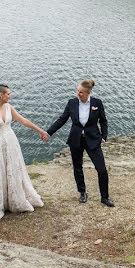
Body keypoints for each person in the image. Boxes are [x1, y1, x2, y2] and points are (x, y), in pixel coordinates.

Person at [0, 84, 48, 223]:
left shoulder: (9, 107)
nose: (10, 96)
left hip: (11, 143)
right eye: (8, 94)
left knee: (13, 170)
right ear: (1, 95)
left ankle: (15, 200)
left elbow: (23, 120)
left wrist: (40, 130)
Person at [46, 79, 114, 207]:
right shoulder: (71, 103)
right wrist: (48, 133)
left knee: (102, 169)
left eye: (81, 92)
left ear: (88, 93)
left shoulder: (97, 103)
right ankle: (82, 192)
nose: (78, 93)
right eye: (77, 91)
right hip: (76, 139)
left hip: (93, 139)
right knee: (77, 167)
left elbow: (103, 121)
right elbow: (62, 119)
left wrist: (104, 136)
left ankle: (104, 197)